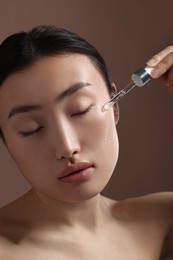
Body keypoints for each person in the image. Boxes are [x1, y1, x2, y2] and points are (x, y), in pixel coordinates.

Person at [0, 25, 172, 260]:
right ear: (7, 142)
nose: (67, 147)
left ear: (115, 106)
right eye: (31, 129)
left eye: (80, 110)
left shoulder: (164, 221)